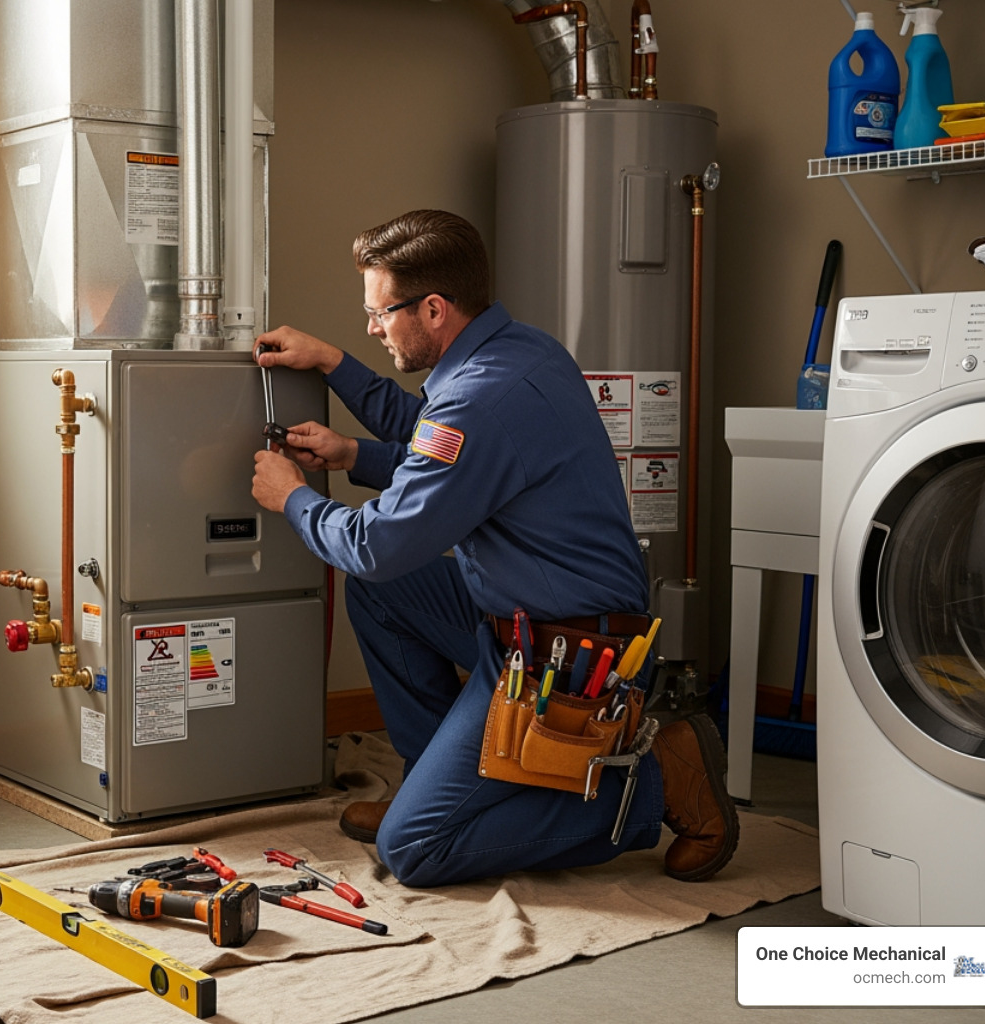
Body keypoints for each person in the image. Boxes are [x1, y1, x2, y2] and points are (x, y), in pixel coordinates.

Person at [250, 209, 738, 887]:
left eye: (379, 314)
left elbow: (378, 544)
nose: (371, 327)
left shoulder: (479, 399)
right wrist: (337, 385)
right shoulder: (518, 351)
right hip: (514, 616)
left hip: (564, 655)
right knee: (385, 596)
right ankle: (438, 779)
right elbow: (442, 448)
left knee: (414, 849)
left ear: (434, 309)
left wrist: (292, 497)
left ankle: (655, 785)